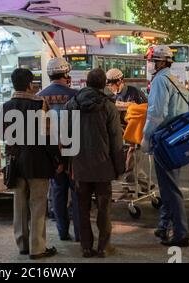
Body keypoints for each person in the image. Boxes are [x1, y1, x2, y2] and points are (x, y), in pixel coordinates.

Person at [2, 68, 61, 260]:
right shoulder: (39, 104)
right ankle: (37, 248)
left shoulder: (6, 106)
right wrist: (57, 159)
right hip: (38, 162)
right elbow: (48, 135)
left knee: (19, 206)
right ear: (29, 85)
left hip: (15, 162)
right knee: (37, 206)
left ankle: (22, 245)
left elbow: (6, 137)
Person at [65, 68, 124, 258]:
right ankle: (103, 247)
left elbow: (66, 138)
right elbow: (116, 140)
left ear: (86, 83)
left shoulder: (72, 104)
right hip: (103, 166)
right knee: (104, 207)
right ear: (102, 85)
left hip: (80, 166)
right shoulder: (109, 106)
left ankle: (86, 247)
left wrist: (68, 165)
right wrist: (119, 167)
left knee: (82, 207)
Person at [141, 45, 189, 247]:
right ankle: (163, 226)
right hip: (176, 138)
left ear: (162, 62)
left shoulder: (161, 80)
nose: (151, 64)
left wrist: (146, 136)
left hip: (165, 140)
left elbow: (156, 113)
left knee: (170, 189)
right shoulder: (173, 78)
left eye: (153, 61)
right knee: (169, 186)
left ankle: (181, 233)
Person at [38, 58, 80, 242]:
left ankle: (63, 232)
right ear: (65, 73)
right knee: (78, 193)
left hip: (51, 154)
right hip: (74, 153)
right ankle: (80, 233)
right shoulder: (75, 95)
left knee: (57, 192)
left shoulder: (40, 96)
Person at [106, 68, 152, 192]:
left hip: (136, 134)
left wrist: (128, 106)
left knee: (131, 164)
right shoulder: (111, 97)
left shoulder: (135, 93)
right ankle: (146, 184)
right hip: (121, 135)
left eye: (111, 84)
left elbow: (145, 110)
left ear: (120, 81)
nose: (110, 87)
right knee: (127, 164)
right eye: (108, 85)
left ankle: (132, 189)